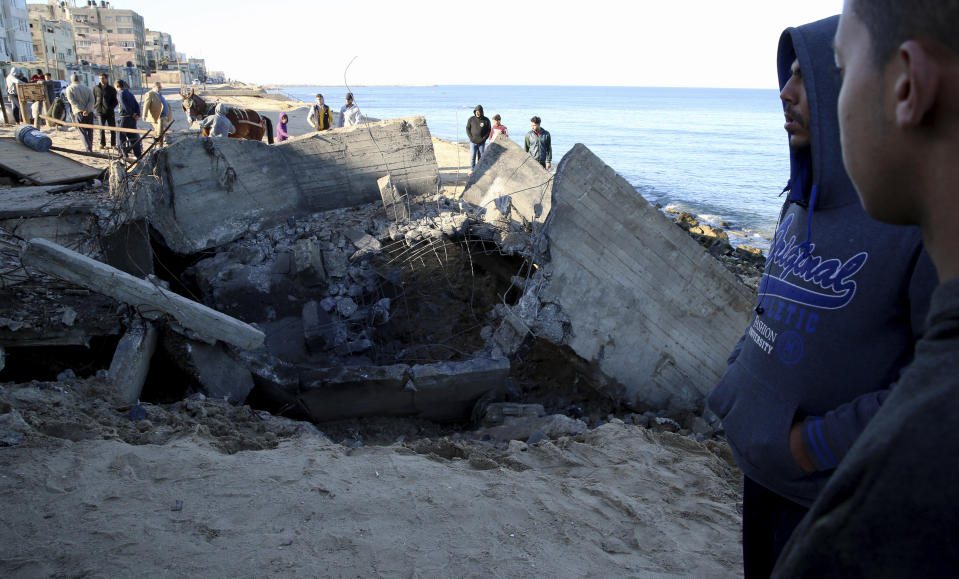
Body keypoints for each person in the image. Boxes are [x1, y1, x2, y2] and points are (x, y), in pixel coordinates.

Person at [705, 14, 938, 578]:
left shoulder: (909, 220)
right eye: (785, 77)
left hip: (828, 501)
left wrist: (809, 447)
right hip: (758, 477)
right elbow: (769, 305)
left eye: (805, 77)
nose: (785, 93)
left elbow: (930, 383)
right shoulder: (799, 199)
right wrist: (738, 386)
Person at [773, 2, 959, 575]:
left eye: (840, 68)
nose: (788, 93)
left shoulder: (905, 488)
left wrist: (810, 447)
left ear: (907, 86)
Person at [65, 74, 96, 152]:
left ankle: (88, 148)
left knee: (82, 130)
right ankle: (90, 146)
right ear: (79, 80)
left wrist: (82, 110)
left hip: (78, 112)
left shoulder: (69, 89)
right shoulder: (87, 88)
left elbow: (72, 101)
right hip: (89, 112)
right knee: (90, 130)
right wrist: (87, 109)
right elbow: (92, 100)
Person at [114, 79, 142, 158]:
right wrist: (137, 114)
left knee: (121, 137)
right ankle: (138, 155)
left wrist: (132, 114)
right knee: (133, 137)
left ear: (116, 86)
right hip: (132, 119)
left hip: (125, 118)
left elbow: (124, 105)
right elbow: (137, 105)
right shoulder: (130, 93)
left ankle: (123, 154)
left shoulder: (120, 93)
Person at [93, 73, 118, 149]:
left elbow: (115, 101)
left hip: (109, 112)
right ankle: (102, 143)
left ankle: (113, 144)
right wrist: (95, 106)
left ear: (106, 79)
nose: (101, 80)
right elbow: (94, 98)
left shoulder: (111, 89)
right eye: (100, 78)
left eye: (103, 78)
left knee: (112, 128)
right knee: (101, 128)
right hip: (99, 111)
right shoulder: (96, 88)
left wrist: (111, 107)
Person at [143, 82, 173, 146]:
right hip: (157, 117)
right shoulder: (150, 94)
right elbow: (146, 105)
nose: (160, 88)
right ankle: (158, 146)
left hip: (164, 116)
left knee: (164, 130)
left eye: (160, 87)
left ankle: (163, 142)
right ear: (154, 87)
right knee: (159, 132)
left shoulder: (159, 94)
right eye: (159, 87)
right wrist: (144, 115)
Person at [466, 104, 491, 170]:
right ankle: (472, 169)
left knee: (481, 157)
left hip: (481, 142)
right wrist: (470, 137)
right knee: (472, 156)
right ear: (475, 111)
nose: (478, 112)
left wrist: (484, 138)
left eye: (479, 111)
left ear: (481, 111)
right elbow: (467, 128)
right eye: (476, 111)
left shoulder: (486, 120)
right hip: (473, 141)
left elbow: (489, 130)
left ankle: (479, 170)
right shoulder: (471, 119)